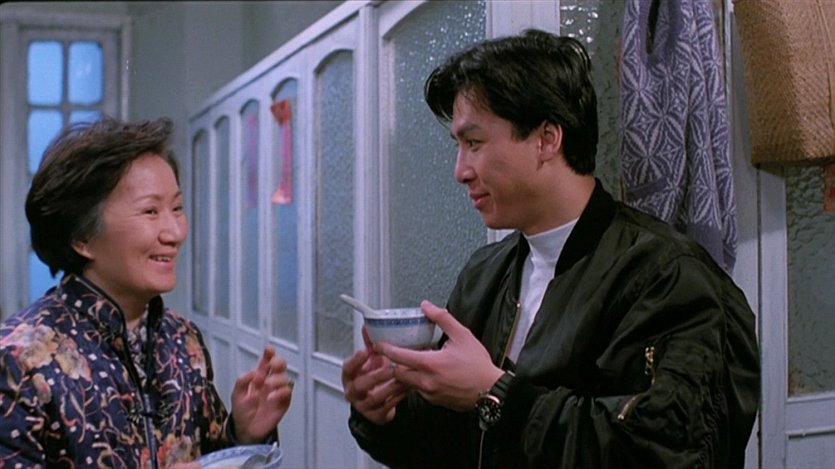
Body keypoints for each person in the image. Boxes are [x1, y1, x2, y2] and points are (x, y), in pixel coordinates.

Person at [342, 30, 760, 468]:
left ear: (546, 139)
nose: (460, 171)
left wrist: (496, 394)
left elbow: (668, 453)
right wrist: (383, 413)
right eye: (458, 146)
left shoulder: (667, 276)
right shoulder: (485, 273)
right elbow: (449, 442)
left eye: (474, 143)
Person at [0, 117, 293, 468]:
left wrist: (243, 435)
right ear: (82, 237)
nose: (174, 233)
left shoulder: (182, 338)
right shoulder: (18, 359)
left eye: (177, 208)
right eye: (150, 211)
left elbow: (206, 460)